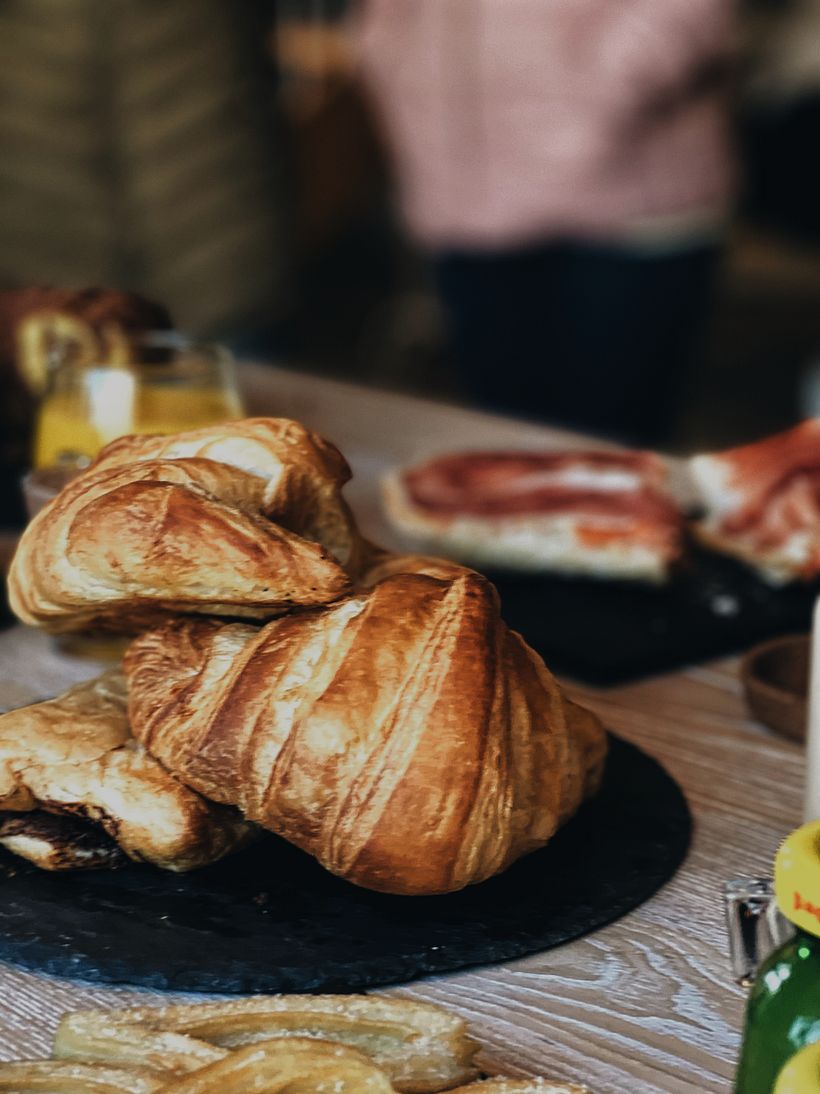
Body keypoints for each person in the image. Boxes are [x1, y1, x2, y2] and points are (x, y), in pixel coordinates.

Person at [356, 0, 737, 444]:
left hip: (628, 207)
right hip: (464, 195)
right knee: (502, 442)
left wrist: (592, 100)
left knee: (612, 451)